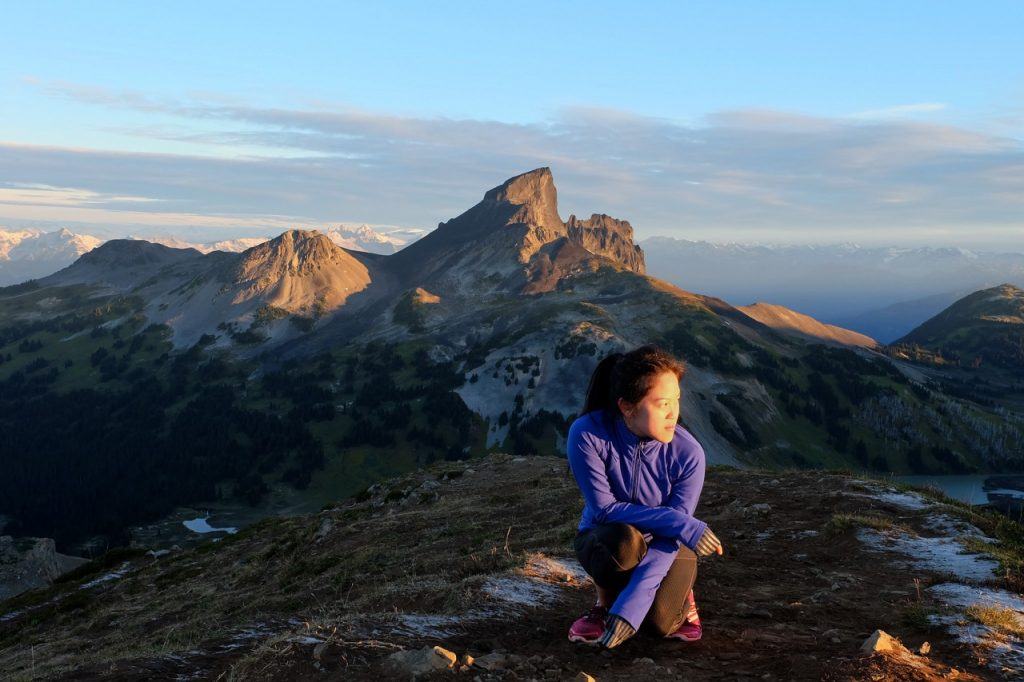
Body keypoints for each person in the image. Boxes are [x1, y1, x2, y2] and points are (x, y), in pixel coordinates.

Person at [565, 344, 724, 649]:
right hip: (605, 536)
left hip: (669, 547)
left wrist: (632, 610)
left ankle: (681, 600)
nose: (674, 413)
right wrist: (681, 523)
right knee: (622, 541)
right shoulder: (587, 434)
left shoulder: (689, 454)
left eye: (676, 400)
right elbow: (604, 510)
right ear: (627, 406)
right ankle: (603, 604)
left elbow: (671, 535)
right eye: (663, 403)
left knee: (659, 625)